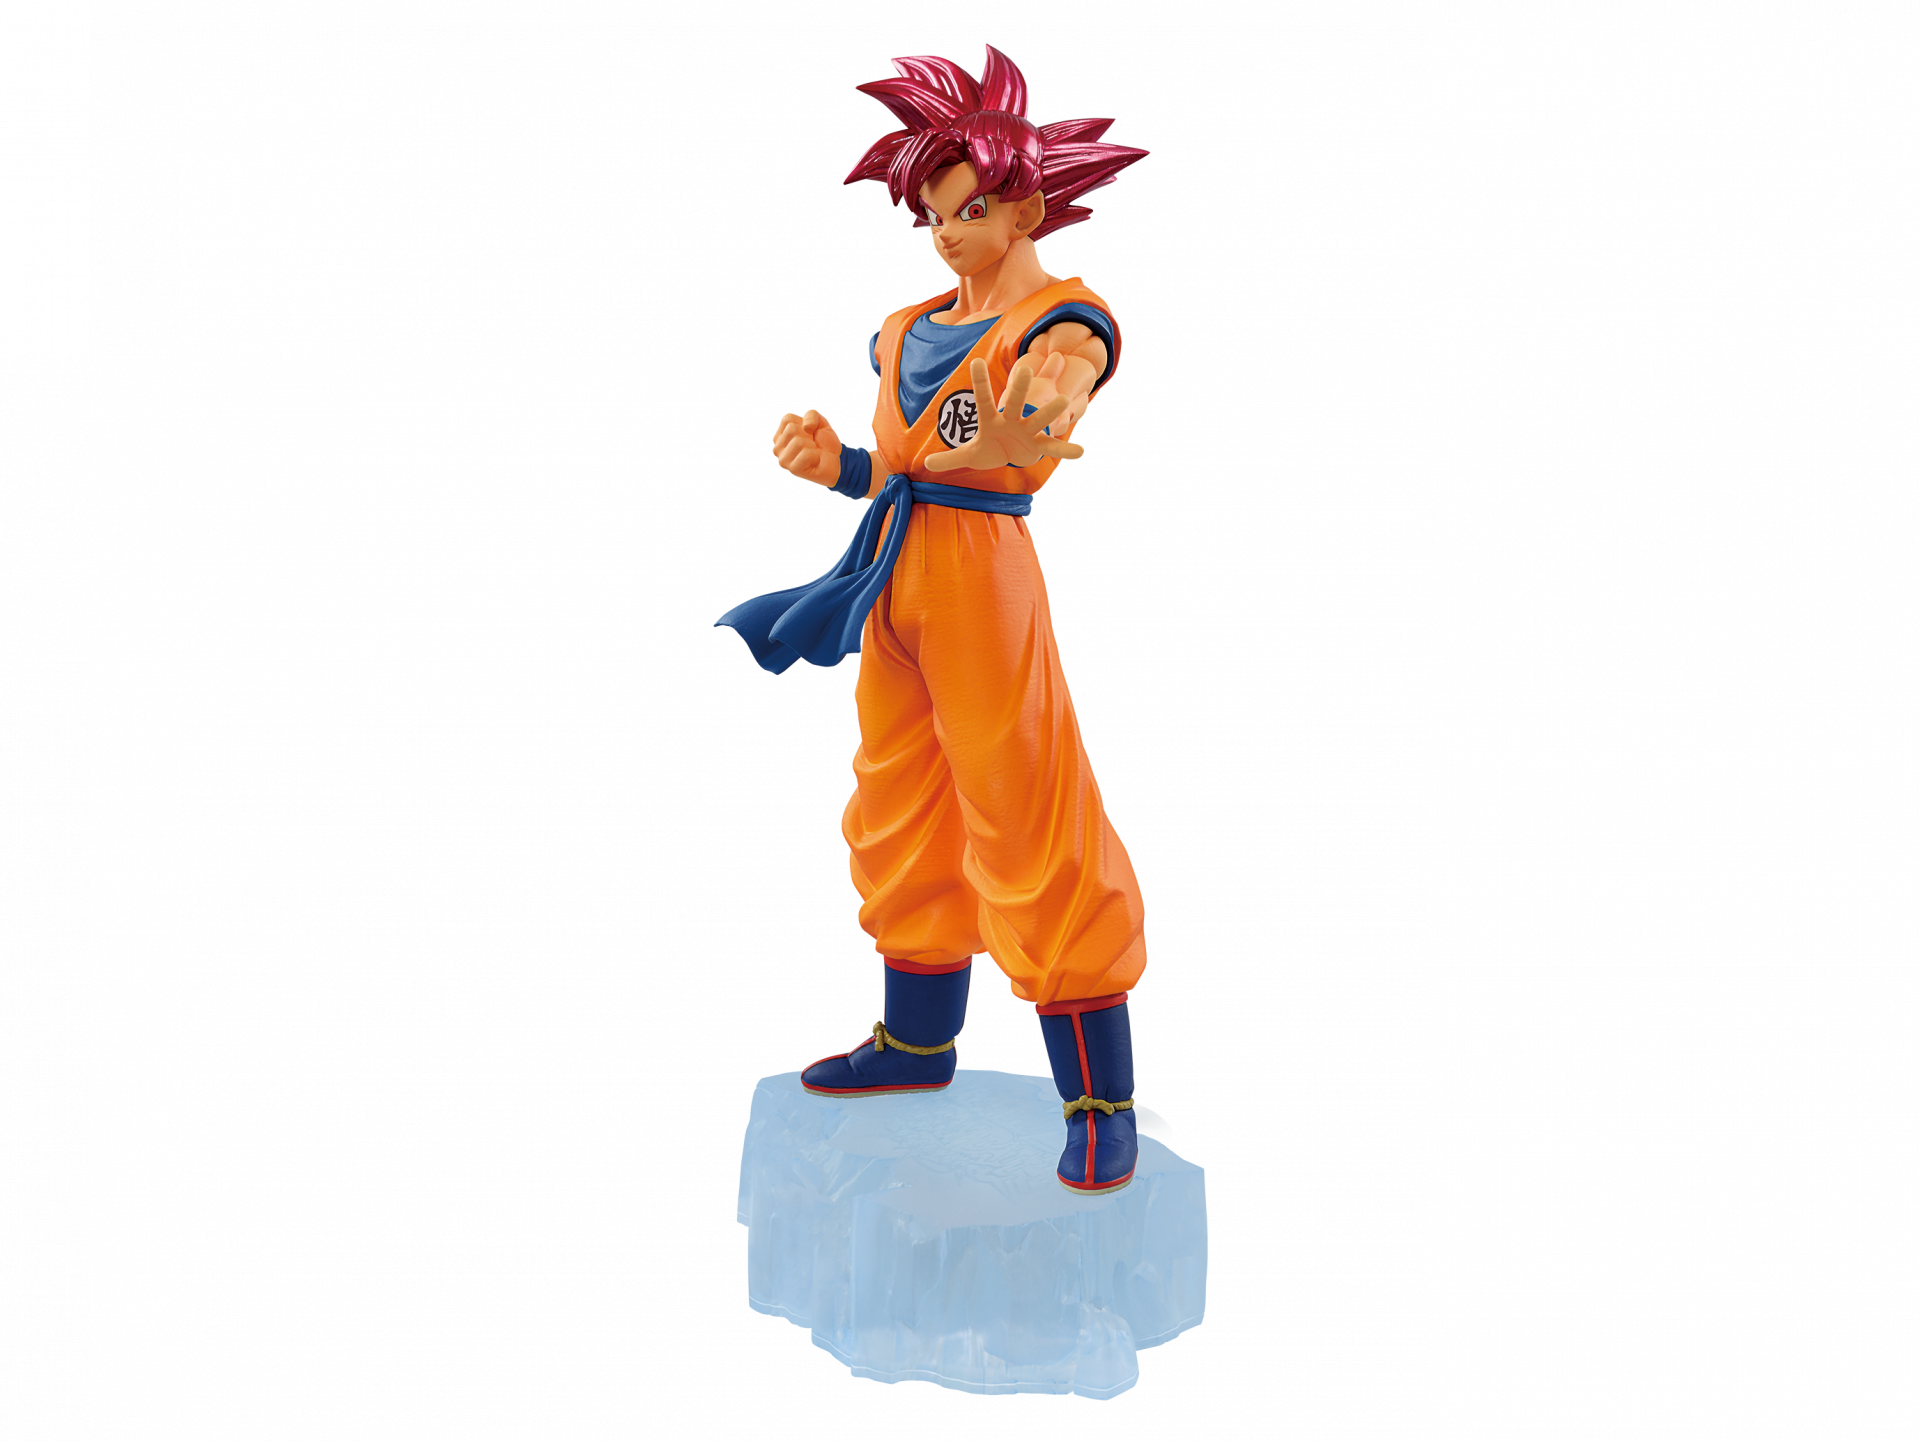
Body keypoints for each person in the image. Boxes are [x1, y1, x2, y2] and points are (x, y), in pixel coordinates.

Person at [714, 45, 1151, 1196]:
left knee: (1028, 810)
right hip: (893, 575)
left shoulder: (1062, 319)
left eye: (970, 211)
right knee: (900, 803)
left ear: (1027, 207)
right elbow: (902, 471)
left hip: (983, 580)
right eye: (933, 216)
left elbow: (1052, 398)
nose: (949, 234)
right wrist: (835, 467)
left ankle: (1098, 1095)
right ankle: (915, 1043)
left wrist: (1041, 414)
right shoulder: (904, 330)